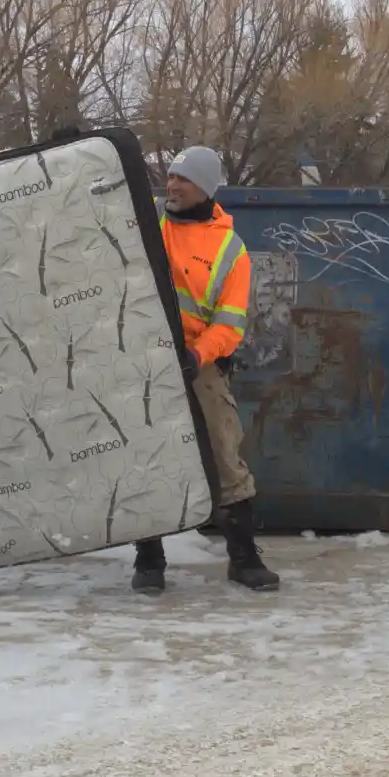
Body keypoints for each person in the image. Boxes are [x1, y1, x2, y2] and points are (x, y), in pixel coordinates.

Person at [131, 146, 280, 594]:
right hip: (141, 357)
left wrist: (196, 356)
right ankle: (148, 558)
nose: (173, 185)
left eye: (184, 179)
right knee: (144, 452)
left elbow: (230, 324)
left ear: (206, 189)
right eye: (171, 176)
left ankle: (243, 558)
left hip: (199, 362)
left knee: (222, 448)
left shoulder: (229, 250)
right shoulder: (144, 219)